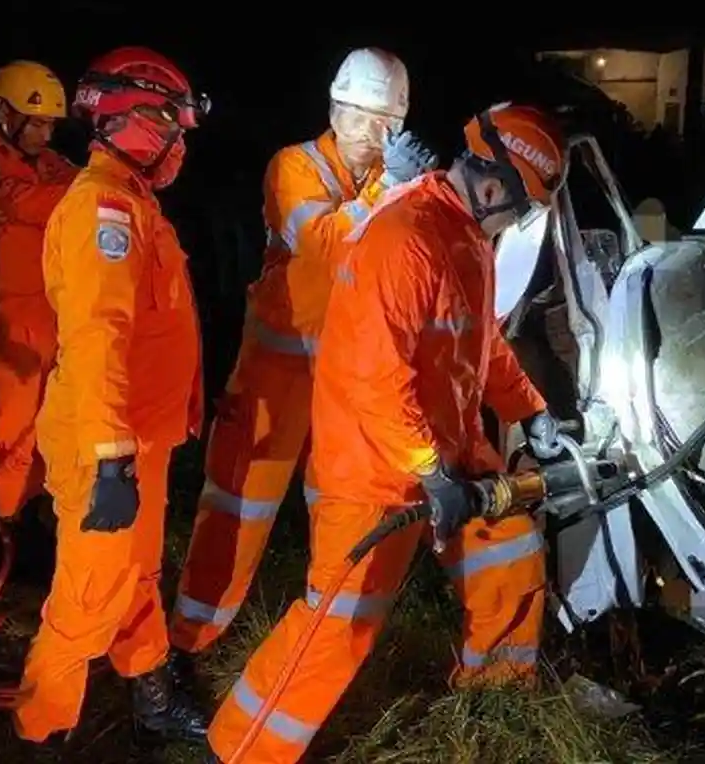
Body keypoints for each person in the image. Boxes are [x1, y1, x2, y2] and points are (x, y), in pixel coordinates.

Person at [202, 102, 571, 764]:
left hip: (448, 454)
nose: (520, 222)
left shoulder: (466, 239)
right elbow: (376, 381)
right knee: (336, 627)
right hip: (376, 472)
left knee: (508, 560)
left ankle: (493, 704)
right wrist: (431, 475)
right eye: (523, 207)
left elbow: (480, 341)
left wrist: (531, 411)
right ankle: (240, 750)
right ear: (494, 186)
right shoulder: (405, 239)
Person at [168, 48, 436, 670]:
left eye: (385, 123)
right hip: (276, 372)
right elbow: (319, 247)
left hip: (344, 377)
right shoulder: (294, 166)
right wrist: (395, 191)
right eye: (362, 118)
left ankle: (322, 640)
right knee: (239, 503)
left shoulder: (387, 182)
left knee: (342, 504)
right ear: (335, 109)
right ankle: (188, 641)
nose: (373, 135)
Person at [12, 46, 211, 747]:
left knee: (137, 574)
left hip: (136, 440)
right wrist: (107, 459)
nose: (179, 142)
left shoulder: (132, 204)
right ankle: (43, 731)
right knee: (87, 598)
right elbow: (99, 339)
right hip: (108, 442)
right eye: (171, 125)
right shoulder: (105, 210)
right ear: (132, 120)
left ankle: (151, 697)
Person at [0, 61, 79, 583]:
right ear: (4, 112)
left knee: (53, 429)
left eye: (51, 124)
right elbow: (17, 203)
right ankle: (5, 541)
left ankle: (39, 527)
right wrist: (84, 196)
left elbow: (80, 196)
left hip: (57, 314)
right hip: (7, 319)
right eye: (36, 122)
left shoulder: (55, 165)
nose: (45, 133)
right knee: (8, 435)